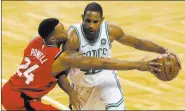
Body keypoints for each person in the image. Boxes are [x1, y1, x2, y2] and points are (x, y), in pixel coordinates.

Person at [2, 18, 160, 110]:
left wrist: (70, 91)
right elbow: (104, 63)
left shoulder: (35, 40)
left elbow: (55, 74)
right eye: (62, 32)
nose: (66, 32)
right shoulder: (64, 58)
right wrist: (140, 65)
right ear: (52, 39)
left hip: (9, 89)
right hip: (20, 101)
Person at [63, 2, 181, 110]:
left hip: (106, 81)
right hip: (82, 86)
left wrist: (163, 50)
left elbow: (137, 43)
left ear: (102, 20)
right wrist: (70, 92)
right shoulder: (74, 37)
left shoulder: (110, 31)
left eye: (95, 22)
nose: (91, 25)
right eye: (88, 21)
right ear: (82, 18)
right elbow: (63, 68)